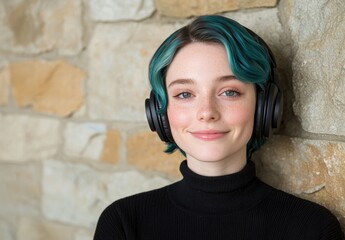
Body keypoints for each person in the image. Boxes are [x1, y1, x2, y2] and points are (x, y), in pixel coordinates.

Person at [94, 15, 343, 239]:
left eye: (229, 92)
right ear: (159, 112)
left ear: (264, 107)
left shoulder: (313, 229)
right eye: (184, 94)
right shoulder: (122, 223)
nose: (207, 113)